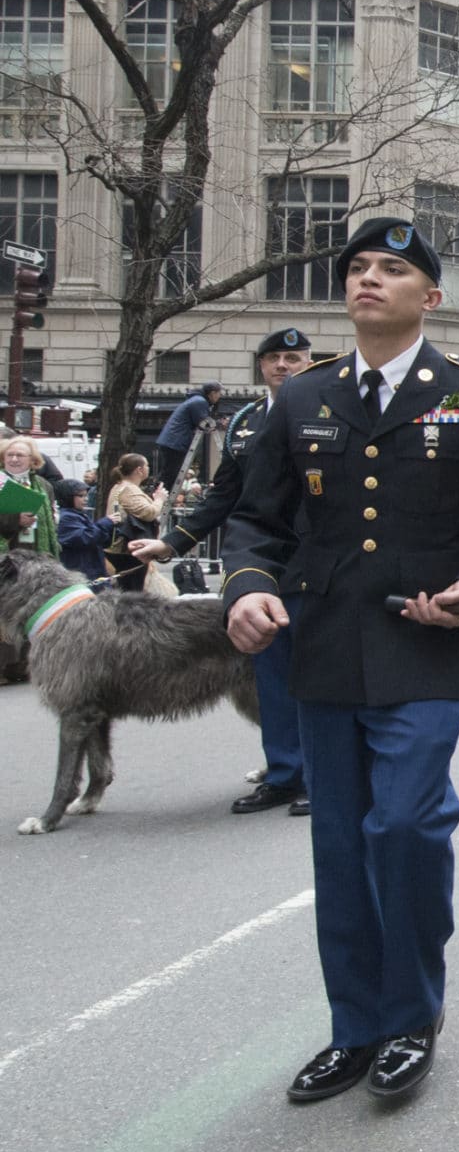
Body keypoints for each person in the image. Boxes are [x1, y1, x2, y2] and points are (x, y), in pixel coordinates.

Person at [221, 216, 459, 1103]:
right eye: (358, 267)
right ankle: (355, 1026)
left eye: (392, 269)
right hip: (326, 645)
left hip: (427, 644)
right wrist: (247, 587)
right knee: (339, 842)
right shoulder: (302, 398)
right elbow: (257, 518)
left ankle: (411, 1015)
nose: (369, 278)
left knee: (403, 825)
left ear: (430, 297)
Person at [129, 326, 318, 815]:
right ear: (261, 367)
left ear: (309, 363)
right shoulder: (244, 423)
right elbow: (223, 495)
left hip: (319, 561)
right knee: (270, 675)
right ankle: (284, 774)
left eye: (294, 358)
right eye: (274, 357)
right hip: (261, 563)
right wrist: (170, 543)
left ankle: (324, 778)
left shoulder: (329, 409)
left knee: (318, 675)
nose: (283, 365)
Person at [103, 453, 167, 593]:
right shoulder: (128, 489)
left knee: (127, 587)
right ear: (139, 470)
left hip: (120, 546)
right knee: (132, 589)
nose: (148, 469)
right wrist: (160, 499)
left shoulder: (120, 487)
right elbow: (148, 513)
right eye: (147, 466)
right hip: (128, 548)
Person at [155, 381, 224, 484]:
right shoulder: (200, 402)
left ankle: (160, 494)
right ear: (213, 393)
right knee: (171, 474)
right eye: (219, 393)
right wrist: (220, 423)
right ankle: (161, 496)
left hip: (173, 441)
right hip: (175, 442)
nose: (220, 396)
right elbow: (204, 423)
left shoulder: (196, 400)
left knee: (169, 473)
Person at [2, 435, 58, 559]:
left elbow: (52, 520)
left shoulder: (44, 485)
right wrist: (15, 520)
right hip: (6, 557)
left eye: (20, 455)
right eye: (10, 455)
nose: (14, 459)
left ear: (33, 460)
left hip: (36, 554)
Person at [53, 479, 115, 580]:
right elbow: (85, 537)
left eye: (86, 495)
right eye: (81, 496)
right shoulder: (66, 518)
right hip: (81, 571)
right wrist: (105, 523)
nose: (86, 499)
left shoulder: (78, 514)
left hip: (92, 568)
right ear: (68, 497)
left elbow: (98, 540)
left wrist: (113, 530)